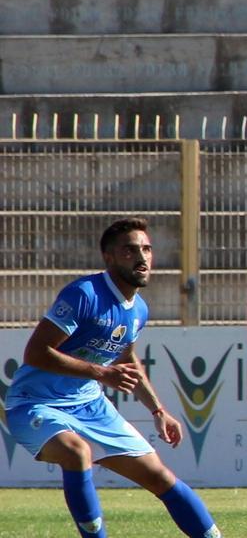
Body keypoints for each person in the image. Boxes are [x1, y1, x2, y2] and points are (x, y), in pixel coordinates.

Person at [4, 218, 221, 538]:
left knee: (160, 477)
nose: (142, 257)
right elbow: (36, 353)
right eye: (130, 250)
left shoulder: (139, 309)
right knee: (77, 453)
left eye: (146, 249)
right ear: (109, 257)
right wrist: (100, 373)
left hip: (91, 406)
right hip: (36, 403)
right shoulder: (84, 294)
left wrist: (158, 410)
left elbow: (126, 357)